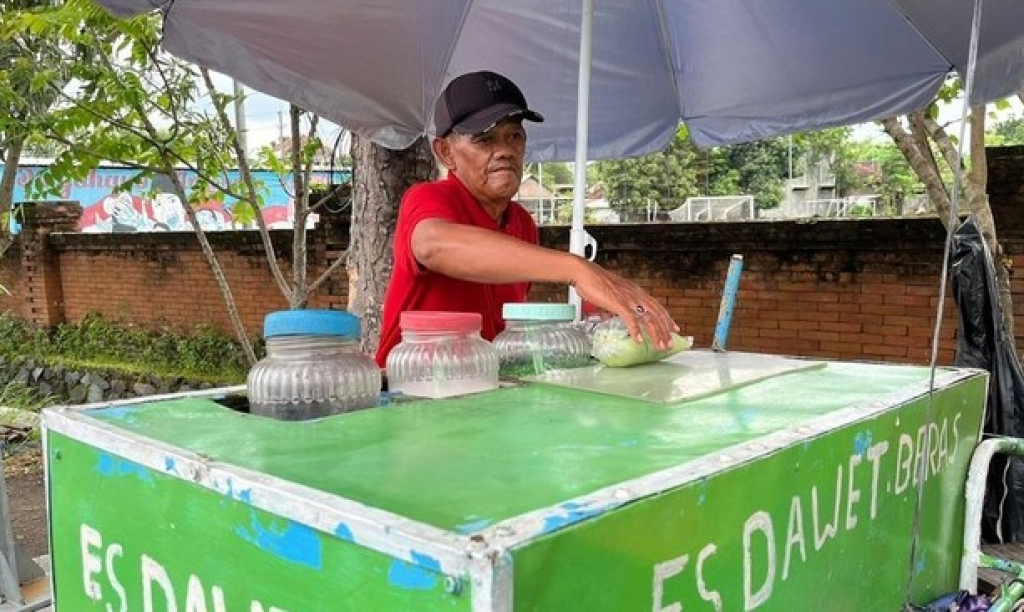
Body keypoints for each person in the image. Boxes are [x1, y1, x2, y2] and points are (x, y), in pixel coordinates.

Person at [375, 70, 677, 366]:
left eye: (514, 136)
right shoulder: (428, 198)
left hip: (481, 386)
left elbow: (507, 326)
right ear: (445, 152)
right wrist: (576, 268)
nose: (505, 151)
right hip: (410, 389)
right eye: (485, 140)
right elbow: (433, 244)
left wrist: (598, 316)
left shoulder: (522, 223)